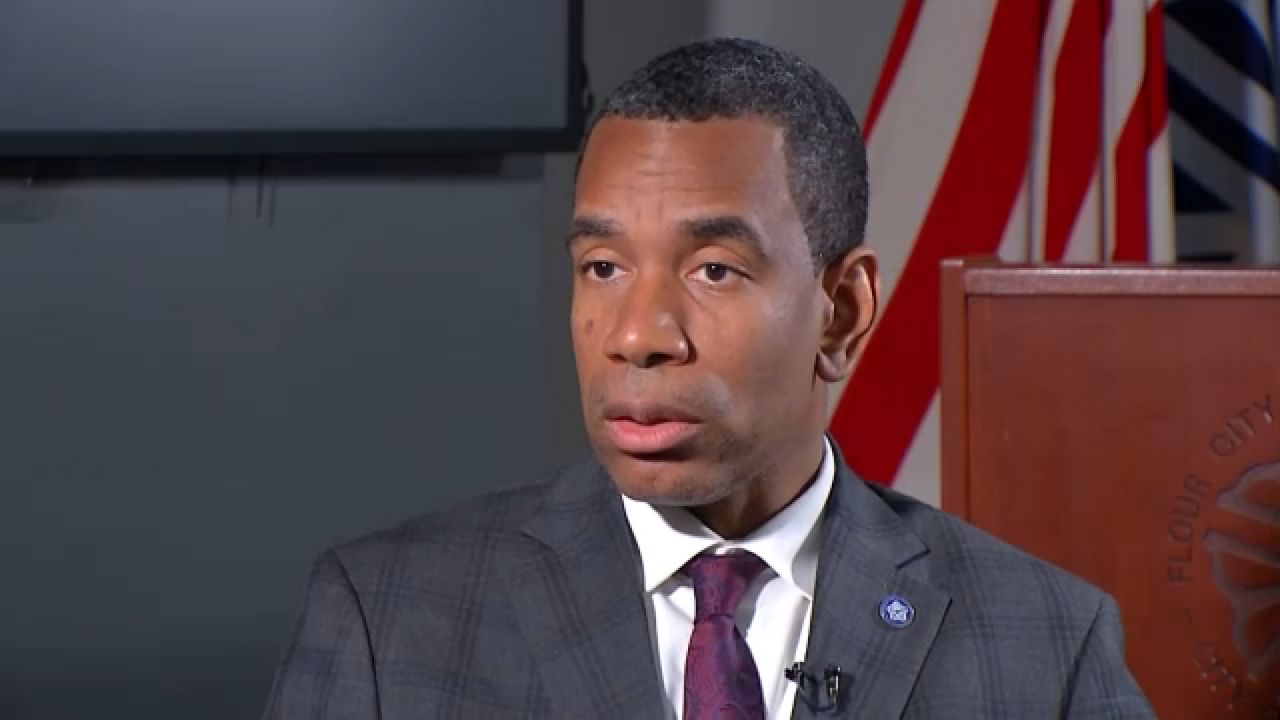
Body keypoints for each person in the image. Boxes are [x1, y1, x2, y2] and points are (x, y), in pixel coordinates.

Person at [262, 38, 1153, 719]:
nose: (637, 336)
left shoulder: (1046, 644)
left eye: (714, 270)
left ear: (842, 312)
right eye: (603, 267)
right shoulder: (388, 622)